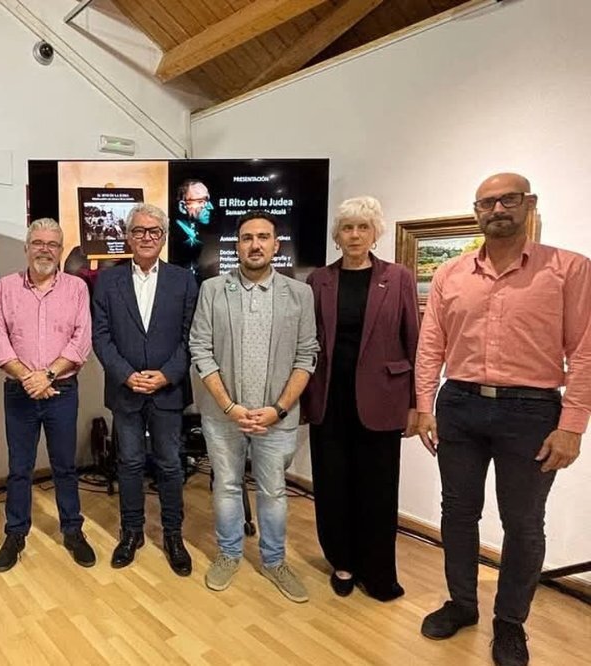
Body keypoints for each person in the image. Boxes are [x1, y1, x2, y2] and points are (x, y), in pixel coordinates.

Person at [416, 173, 590, 666]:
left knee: (524, 524)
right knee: (457, 512)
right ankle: (461, 604)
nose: (498, 209)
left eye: (508, 199)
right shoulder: (451, 274)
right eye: (487, 202)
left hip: (533, 411)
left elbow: (585, 350)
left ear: (528, 204)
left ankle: (510, 623)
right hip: (461, 405)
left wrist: (572, 424)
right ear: (477, 212)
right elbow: (432, 345)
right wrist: (423, 405)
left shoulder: (569, 269)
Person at [189, 211, 318, 600]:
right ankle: (228, 554)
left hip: (276, 418)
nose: (256, 244)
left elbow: (306, 355)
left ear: (276, 245)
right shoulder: (212, 290)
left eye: (264, 237)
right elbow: (201, 348)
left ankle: (275, 561)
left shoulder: (300, 295)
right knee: (226, 486)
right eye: (247, 238)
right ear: (237, 246)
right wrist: (230, 407)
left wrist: (277, 409)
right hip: (223, 414)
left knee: (274, 491)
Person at [301, 196, 419, 601]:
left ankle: (379, 571)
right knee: (333, 486)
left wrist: (419, 405)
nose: (354, 235)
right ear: (338, 235)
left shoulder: (398, 277)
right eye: (347, 228)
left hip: (383, 400)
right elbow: (308, 343)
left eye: (362, 228)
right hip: (329, 401)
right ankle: (343, 563)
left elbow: (414, 340)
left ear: (375, 233)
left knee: (379, 489)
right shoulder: (319, 280)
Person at [91, 203, 198, 575]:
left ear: (164, 237)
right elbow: (100, 336)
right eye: (139, 231)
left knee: (170, 465)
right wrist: (125, 374)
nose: (146, 237)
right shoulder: (108, 280)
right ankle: (131, 531)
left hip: (168, 390)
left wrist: (167, 374)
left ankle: (172, 535)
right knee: (130, 463)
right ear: (127, 236)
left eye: (154, 232)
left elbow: (191, 338)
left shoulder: (184, 280)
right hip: (126, 390)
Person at [0, 218, 95, 572]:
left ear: (61, 251)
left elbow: (81, 340)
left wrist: (47, 375)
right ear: (27, 247)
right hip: (19, 392)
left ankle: (72, 530)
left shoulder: (77, 289)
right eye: (38, 242)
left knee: (65, 466)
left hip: (62, 390)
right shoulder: (5, 288)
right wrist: (29, 378)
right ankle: (16, 533)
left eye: (52, 244)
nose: (45, 249)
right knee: (19, 468)